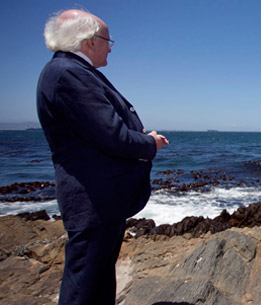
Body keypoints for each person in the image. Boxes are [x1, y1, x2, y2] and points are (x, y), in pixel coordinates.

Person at [36, 9, 169, 305]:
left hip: (100, 200)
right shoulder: (68, 74)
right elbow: (113, 137)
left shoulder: (69, 72)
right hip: (93, 200)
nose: (110, 46)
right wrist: (150, 142)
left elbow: (100, 130)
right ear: (89, 41)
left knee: (97, 283)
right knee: (84, 288)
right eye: (108, 40)